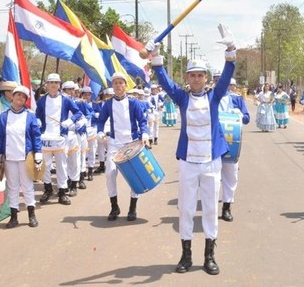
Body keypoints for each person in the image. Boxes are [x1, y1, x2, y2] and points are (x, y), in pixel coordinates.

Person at [151, 23, 235, 275]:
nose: (196, 78)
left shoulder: (215, 95)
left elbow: (229, 73)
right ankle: (186, 255)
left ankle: (209, 255)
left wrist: (231, 50)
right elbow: (164, 81)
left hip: (211, 162)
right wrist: (156, 59)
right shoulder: (181, 97)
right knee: (186, 207)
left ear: (206, 77)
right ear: (187, 78)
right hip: (188, 161)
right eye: (192, 75)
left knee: (210, 208)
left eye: (200, 74)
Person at [96, 73, 149, 222]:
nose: (118, 86)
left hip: (131, 143)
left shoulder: (134, 103)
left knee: (134, 177)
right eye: (115, 83)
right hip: (114, 143)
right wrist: (100, 131)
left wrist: (144, 134)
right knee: (110, 173)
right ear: (112, 86)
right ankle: (114, 207)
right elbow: (101, 121)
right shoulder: (108, 104)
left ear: (126, 85)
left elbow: (142, 121)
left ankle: (132, 208)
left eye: (121, 83)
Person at [0, 86, 42, 228]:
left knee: (27, 187)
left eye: (23, 97)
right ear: (12, 97)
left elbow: (36, 137)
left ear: (25, 100)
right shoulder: (4, 116)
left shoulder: (30, 116)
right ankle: (14, 217)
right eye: (17, 95)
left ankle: (31, 215)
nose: (20, 98)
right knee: (13, 187)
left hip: (25, 156)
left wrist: (38, 155)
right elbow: (0, 137)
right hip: (9, 157)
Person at [35, 73, 83, 205]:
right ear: (47, 85)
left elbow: (78, 113)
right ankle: (48, 188)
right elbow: (37, 115)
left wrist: (70, 121)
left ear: (59, 85)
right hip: (45, 137)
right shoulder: (42, 100)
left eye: (56, 83)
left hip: (61, 137)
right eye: (51, 82)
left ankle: (62, 191)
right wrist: (38, 121)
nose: (53, 85)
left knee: (62, 166)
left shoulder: (66, 100)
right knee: (45, 166)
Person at [218, 78, 250, 222]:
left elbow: (247, 118)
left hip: (231, 144)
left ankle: (226, 207)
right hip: (213, 144)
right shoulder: (209, 97)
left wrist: (240, 115)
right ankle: (211, 207)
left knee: (231, 176)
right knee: (210, 178)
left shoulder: (237, 99)